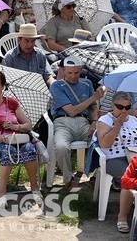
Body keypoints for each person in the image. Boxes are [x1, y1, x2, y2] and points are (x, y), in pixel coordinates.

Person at [0, 71, 42, 208]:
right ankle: (1, 193)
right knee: (8, 151)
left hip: (14, 139)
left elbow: (28, 125)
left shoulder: (11, 102)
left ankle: (34, 187)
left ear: (3, 86)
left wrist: (14, 126)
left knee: (30, 148)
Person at [49, 55, 106, 189]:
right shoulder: (57, 85)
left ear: (81, 71)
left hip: (83, 121)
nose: (73, 76)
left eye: (76, 73)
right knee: (61, 146)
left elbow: (93, 107)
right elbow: (71, 111)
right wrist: (93, 97)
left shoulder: (87, 84)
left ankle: (96, 175)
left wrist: (94, 121)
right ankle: (68, 179)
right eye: (70, 73)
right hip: (63, 122)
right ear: (63, 71)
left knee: (103, 140)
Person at [95, 91, 137, 233]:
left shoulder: (134, 119)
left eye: (127, 107)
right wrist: (117, 125)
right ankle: (122, 217)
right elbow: (104, 144)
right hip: (114, 158)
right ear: (113, 105)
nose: (124, 110)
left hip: (135, 157)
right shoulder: (104, 120)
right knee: (130, 178)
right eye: (120, 107)